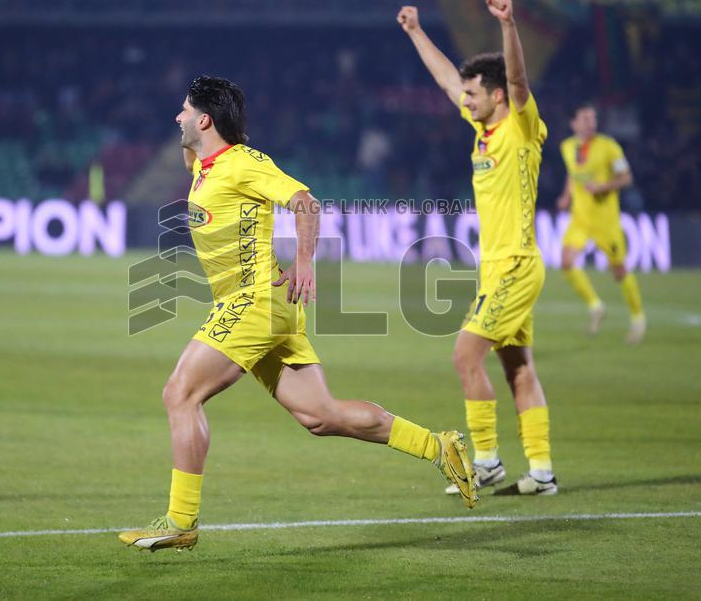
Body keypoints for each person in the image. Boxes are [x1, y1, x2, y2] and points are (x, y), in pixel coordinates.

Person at [119, 76, 478, 553]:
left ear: (205, 119)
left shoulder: (244, 164)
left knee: (179, 394)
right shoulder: (203, 165)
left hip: (255, 301)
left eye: (184, 110)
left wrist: (305, 259)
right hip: (262, 306)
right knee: (320, 416)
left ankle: (181, 521)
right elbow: (195, 147)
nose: (177, 117)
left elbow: (306, 202)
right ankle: (439, 446)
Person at [398, 0, 556, 496]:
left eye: (473, 95)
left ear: (496, 96)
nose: (464, 101)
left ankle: (486, 461)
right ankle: (543, 473)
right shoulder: (483, 130)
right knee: (518, 367)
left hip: (515, 265)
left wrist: (508, 25)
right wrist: (416, 31)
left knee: (465, 356)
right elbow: (448, 79)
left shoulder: (521, 128)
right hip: (499, 269)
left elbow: (518, 83)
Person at [557, 103, 646, 344]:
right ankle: (596, 306)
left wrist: (602, 187)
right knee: (566, 262)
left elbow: (626, 177)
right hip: (580, 219)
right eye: (585, 118)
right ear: (574, 123)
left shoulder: (609, 147)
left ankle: (638, 319)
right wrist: (566, 195)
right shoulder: (567, 147)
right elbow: (572, 173)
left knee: (618, 271)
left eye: (593, 118)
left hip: (606, 221)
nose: (591, 123)